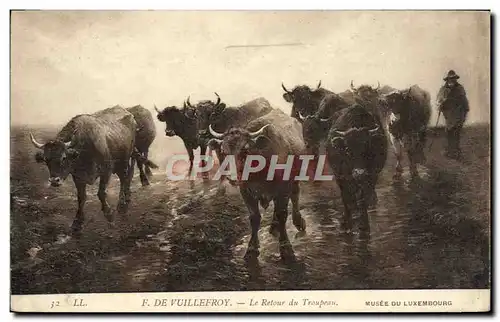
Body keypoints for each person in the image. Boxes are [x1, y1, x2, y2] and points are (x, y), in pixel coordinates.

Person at [436, 70, 469, 160]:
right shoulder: (443, 89)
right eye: (450, 79)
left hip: (458, 115)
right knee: (449, 133)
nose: (452, 80)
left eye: (453, 78)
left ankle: (456, 152)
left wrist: (465, 112)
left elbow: (464, 102)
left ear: (455, 79)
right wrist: (440, 104)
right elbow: (438, 100)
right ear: (447, 79)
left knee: (456, 133)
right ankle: (450, 152)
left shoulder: (460, 88)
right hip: (448, 115)